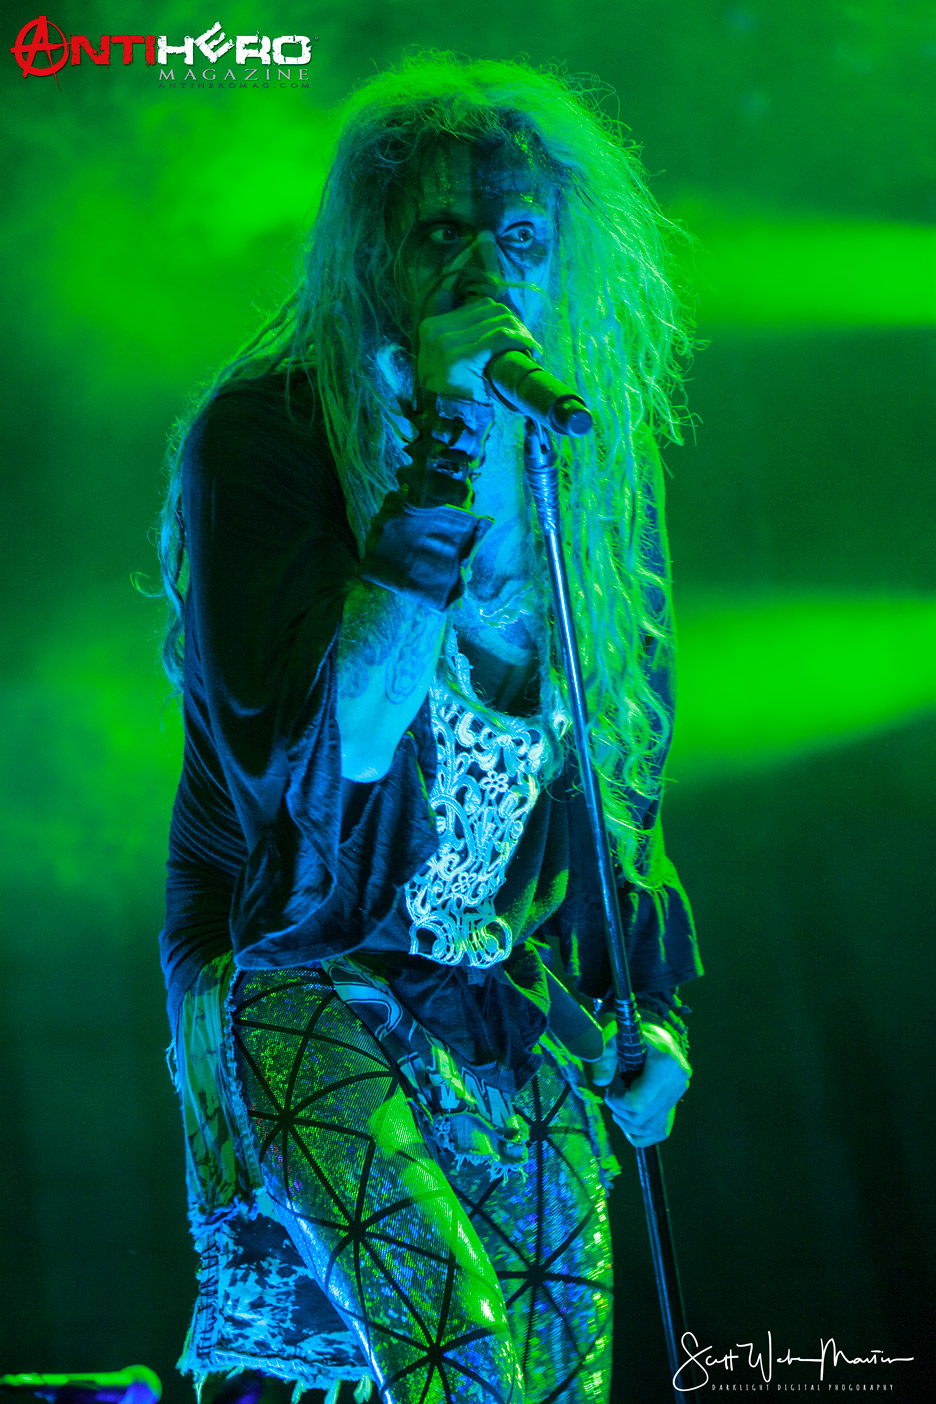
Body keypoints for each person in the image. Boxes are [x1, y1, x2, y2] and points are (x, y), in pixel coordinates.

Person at [157, 53, 702, 1404]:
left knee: (558, 1386)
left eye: (519, 239)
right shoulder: (266, 438)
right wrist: (447, 440)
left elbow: (611, 792)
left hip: (500, 997)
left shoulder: (583, 480)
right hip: (307, 965)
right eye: (441, 234)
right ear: (373, 255)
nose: (484, 272)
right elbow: (341, 741)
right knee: (459, 1363)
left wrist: (655, 1014)